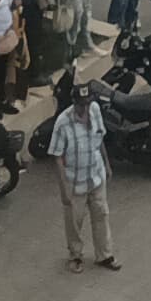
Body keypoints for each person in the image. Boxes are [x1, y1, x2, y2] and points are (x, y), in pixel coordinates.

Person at [49, 71, 117, 271]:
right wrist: (64, 189)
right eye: (81, 105)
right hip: (75, 182)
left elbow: (100, 138)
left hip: (95, 176)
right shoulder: (63, 123)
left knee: (101, 215)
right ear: (74, 103)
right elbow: (57, 157)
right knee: (74, 223)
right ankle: (75, 255)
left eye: (87, 104)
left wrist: (107, 164)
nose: (84, 109)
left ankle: (105, 255)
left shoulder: (95, 110)